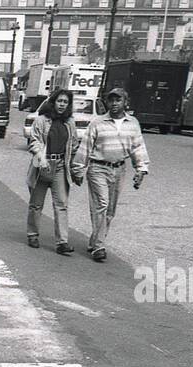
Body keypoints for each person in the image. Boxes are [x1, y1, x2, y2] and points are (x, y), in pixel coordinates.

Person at [71, 87, 150, 262]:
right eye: (111, 100)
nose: (114, 104)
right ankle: (99, 246)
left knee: (110, 210)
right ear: (106, 102)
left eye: (118, 100)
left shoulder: (133, 123)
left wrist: (141, 169)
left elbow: (138, 147)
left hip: (119, 170)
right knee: (101, 204)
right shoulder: (97, 123)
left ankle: (94, 241)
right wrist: (78, 169)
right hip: (98, 168)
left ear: (125, 102)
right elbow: (85, 147)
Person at [26, 89, 80, 255]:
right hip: (43, 165)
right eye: (59, 101)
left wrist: (75, 168)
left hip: (60, 167)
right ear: (53, 102)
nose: (62, 105)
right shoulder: (41, 121)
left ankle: (62, 242)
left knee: (61, 205)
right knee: (36, 204)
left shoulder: (69, 123)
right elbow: (34, 142)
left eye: (65, 102)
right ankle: (33, 234)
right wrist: (41, 158)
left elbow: (75, 144)